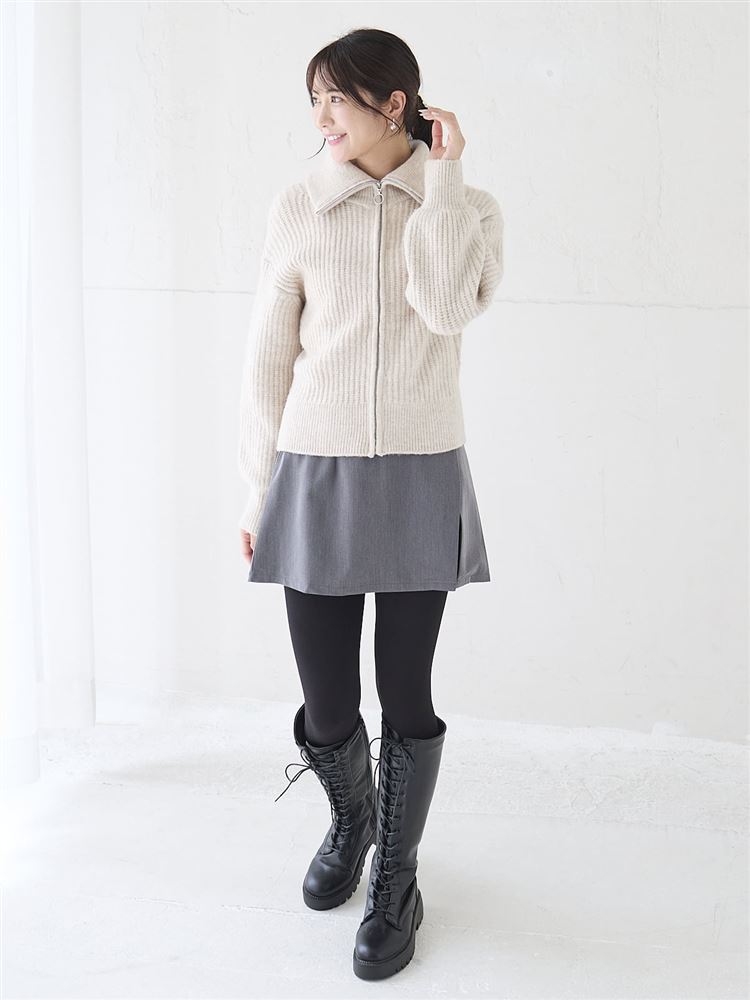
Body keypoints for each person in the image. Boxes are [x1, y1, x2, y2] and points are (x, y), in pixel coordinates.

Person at [237, 28, 503, 982]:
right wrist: (257, 489)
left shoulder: (466, 207)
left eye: (336, 99)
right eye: (314, 101)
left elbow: (447, 308)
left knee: (407, 694)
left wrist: (444, 184)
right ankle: (354, 821)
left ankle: (397, 876)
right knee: (327, 702)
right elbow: (267, 355)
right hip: (315, 470)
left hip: (421, 470)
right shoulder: (300, 206)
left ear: (395, 104)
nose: (321, 119)